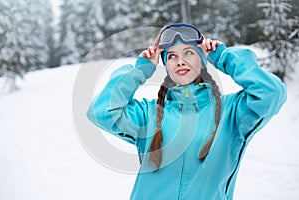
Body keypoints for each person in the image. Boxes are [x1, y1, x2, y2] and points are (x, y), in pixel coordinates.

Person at [87, 23, 287, 199]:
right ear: (166, 65)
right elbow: (102, 111)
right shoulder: (149, 114)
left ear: (203, 60)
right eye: (172, 56)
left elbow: (271, 93)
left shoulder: (232, 112)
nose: (180, 61)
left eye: (188, 52)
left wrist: (224, 58)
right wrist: (140, 71)